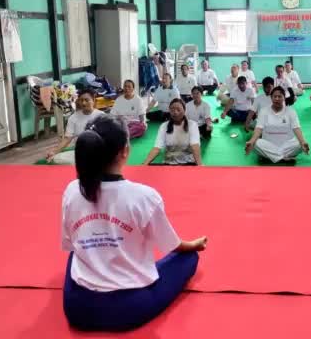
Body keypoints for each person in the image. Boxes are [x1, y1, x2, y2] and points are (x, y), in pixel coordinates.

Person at [62, 114, 207, 331]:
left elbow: (70, 244)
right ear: (125, 151)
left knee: (76, 253)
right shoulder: (144, 197)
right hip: (128, 308)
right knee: (188, 259)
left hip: (78, 307)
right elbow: (173, 245)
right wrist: (193, 245)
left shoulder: (72, 190)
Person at [245, 86, 310, 163]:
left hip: (287, 145)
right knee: (256, 143)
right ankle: (283, 158)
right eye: (274, 96)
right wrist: (251, 141)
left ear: (284, 98)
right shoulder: (264, 111)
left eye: (279, 96)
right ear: (271, 98)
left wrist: (303, 142)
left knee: (299, 144)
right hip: (269, 144)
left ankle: (271, 157)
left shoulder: (291, 111)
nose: (277, 99)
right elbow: (259, 128)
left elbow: (297, 128)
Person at [47, 89, 105, 165]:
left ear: (93, 100)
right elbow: (67, 138)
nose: (83, 103)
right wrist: (54, 151)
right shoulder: (73, 118)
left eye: (86, 100)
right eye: (81, 100)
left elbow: (107, 137)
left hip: (97, 152)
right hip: (81, 152)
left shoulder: (102, 116)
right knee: (57, 158)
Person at [143, 99, 201, 166]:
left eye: (178, 109)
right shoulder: (164, 126)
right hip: (169, 163)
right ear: (169, 111)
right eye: (172, 110)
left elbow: (195, 146)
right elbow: (157, 148)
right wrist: (144, 164)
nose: (175, 112)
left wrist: (200, 165)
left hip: (188, 164)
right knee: (146, 166)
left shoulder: (192, 125)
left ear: (184, 111)